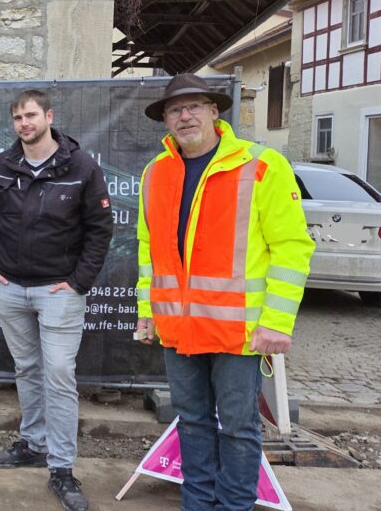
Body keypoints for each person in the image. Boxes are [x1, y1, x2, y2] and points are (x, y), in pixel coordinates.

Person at [135, 74, 314, 510]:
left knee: (237, 428)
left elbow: (292, 247)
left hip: (239, 333)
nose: (185, 116)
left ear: (216, 111)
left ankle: (235, 507)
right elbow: (148, 249)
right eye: (175, 109)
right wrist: (146, 311)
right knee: (192, 423)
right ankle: (196, 505)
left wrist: (276, 322)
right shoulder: (155, 172)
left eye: (194, 105)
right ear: (166, 121)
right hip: (178, 329)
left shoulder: (261, 164)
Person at [0, 89, 113, 511]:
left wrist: (78, 283)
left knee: (57, 373)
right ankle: (33, 444)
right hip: (10, 288)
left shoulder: (82, 167)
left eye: (31, 115)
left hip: (59, 292)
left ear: (49, 116)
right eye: (17, 117)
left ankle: (63, 469)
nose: (24, 123)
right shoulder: (0, 166)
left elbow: (100, 229)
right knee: (27, 368)